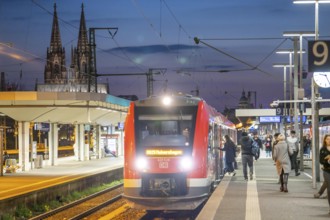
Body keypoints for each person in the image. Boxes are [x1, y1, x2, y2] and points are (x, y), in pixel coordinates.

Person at [319, 134, 330, 214]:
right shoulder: (323, 149)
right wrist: (327, 160)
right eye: (327, 139)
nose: (329, 140)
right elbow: (321, 161)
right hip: (327, 170)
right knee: (329, 189)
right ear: (325, 140)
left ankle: (320, 192)